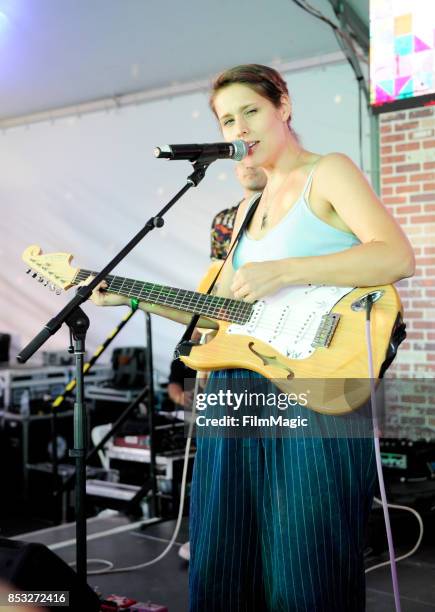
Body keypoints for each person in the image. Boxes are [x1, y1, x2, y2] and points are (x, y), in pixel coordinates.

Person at [88, 64, 414, 611]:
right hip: (236, 389)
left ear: (283, 105)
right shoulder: (243, 211)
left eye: (251, 112)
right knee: (222, 555)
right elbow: (222, 316)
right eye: (226, 120)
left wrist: (286, 270)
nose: (239, 129)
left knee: (305, 560)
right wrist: (132, 296)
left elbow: (395, 255)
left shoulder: (327, 171)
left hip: (312, 387)